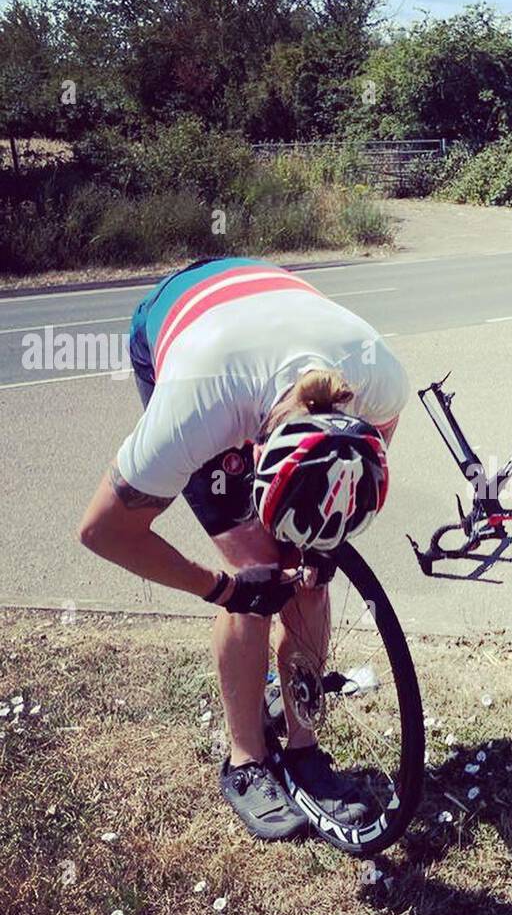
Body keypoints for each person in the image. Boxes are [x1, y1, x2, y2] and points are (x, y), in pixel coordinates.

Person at [78, 256, 408, 841]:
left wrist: (318, 551)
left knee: (309, 573)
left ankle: (304, 744)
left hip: (264, 299)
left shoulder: (379, 377)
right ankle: (245, 761)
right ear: (253, 453)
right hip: (182, 318)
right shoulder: (197, 406)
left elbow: (358, 474)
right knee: (257, 571)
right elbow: (103, 531)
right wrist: (224, 587)